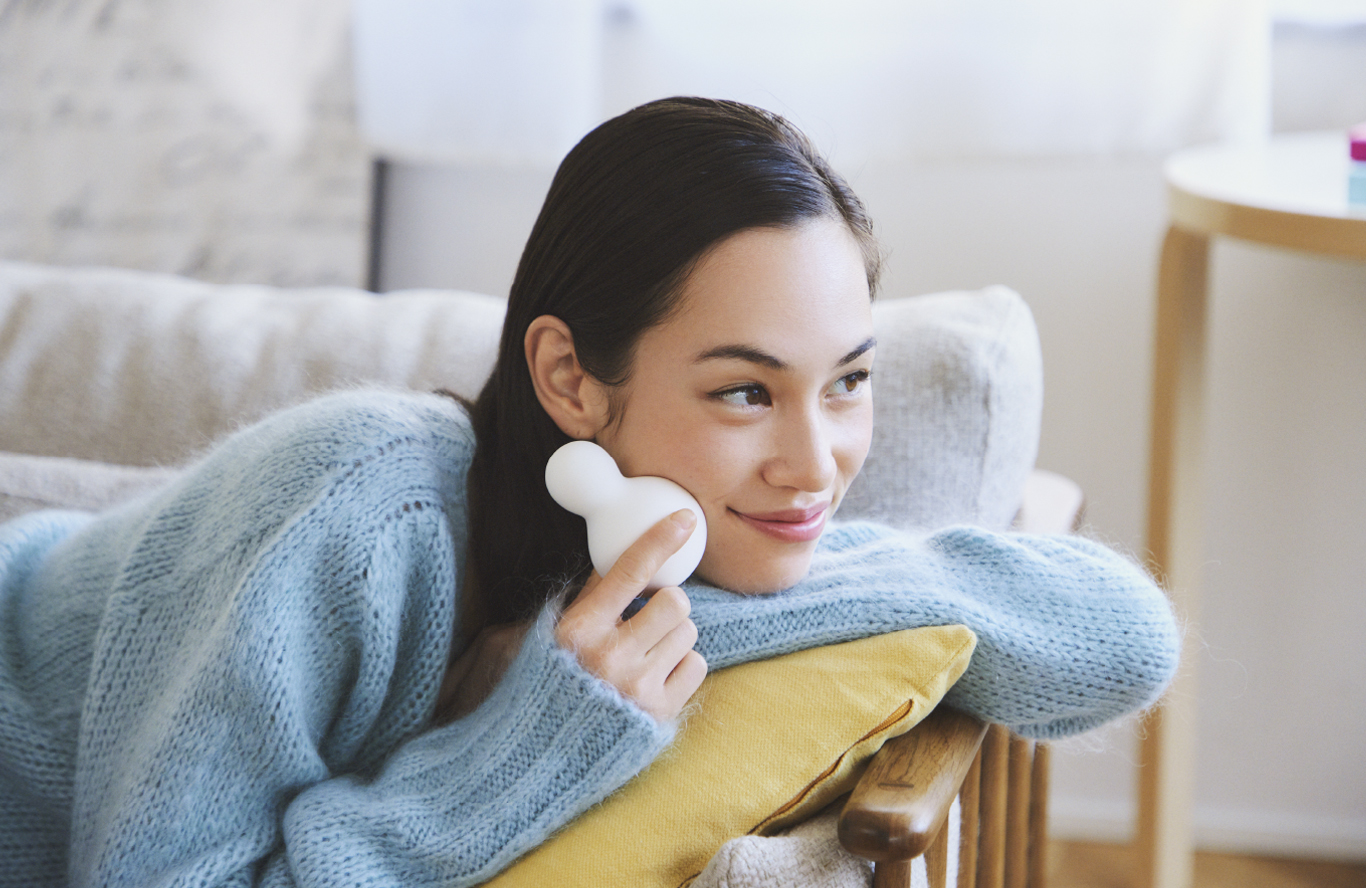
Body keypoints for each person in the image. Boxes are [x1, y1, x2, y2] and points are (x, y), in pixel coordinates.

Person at [0, 97, 1179, 887]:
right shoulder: (347, 514)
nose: (817, 464)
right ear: (569, 376)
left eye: (850, 382)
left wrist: (825, 591)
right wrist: (523, 753)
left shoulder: (687, 556)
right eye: (744, 394)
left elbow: (1122, 640)